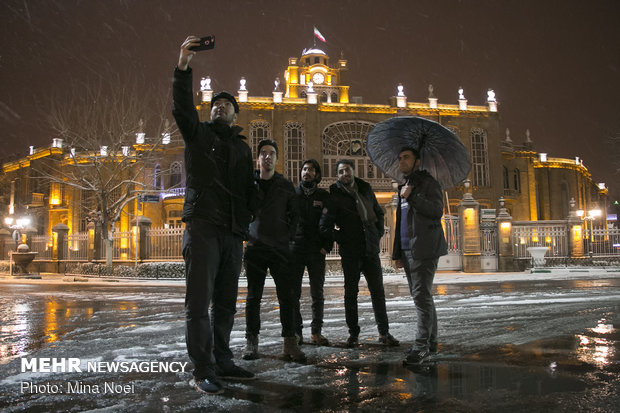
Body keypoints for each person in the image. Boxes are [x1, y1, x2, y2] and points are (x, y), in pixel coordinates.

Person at [173, 35, 257, 394]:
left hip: (231, 233)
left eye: (227, 105)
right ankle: (203, 368)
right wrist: (183, 65)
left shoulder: (241, 148)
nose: (220, 107)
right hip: (204, 227)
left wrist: (246, 220)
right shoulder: (197, 134)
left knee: (225, 302)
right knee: (199, 304)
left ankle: (223, 359)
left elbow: (250, 191)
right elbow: (181, 108)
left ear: (236, 114)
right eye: (216, 104)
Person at [319, 159, 399, 347]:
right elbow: (324, 225)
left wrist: (378, 232)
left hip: (370, 250)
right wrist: (343, 237)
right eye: (340, 172)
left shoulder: (365, 189)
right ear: (337, 175)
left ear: (353, 172)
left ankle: (384, 333)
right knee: (351, 294)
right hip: (351, 252)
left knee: (378, 293)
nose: (344, 174)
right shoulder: (334, 195)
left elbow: (378, 213)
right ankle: (353, 335)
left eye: (347, 170)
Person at [242, 139, 306, 362]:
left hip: (280, 249)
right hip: (255, 248)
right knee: (253, 298)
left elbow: (295, 215)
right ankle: (252, 342)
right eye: (263, 153)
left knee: (286, 297)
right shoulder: (250, 183)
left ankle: (290, 342)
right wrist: (245, 234)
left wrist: (288, 238)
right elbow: (241, 210)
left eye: (271, 153)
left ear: (277, 159)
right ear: (258, 158)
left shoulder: (285, 185)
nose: (267, 157)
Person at [392, 147, 448, 364]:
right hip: (408, 250)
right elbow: (400, 223)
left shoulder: (429, 183)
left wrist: (413, 195)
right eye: (400, 158)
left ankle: (421, 346)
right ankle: (431, 342)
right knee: (423, 296)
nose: (401, 161)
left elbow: (436, 210)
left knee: (421, 297)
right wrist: (397, 252)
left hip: (424, 248)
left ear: (417, 161)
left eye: (406, 157)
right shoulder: (404, 186)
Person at [291, 159, 333, 346]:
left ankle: (316, 332)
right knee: (294, 293)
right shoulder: (293, 194)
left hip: (316, 250)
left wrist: (327, 246)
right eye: (304, 169)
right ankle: (297, 331)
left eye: (311, 170)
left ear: (317, 174)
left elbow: (330, 221)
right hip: (296, 249)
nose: (307, 172)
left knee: (317, 293)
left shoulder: (323, 196)